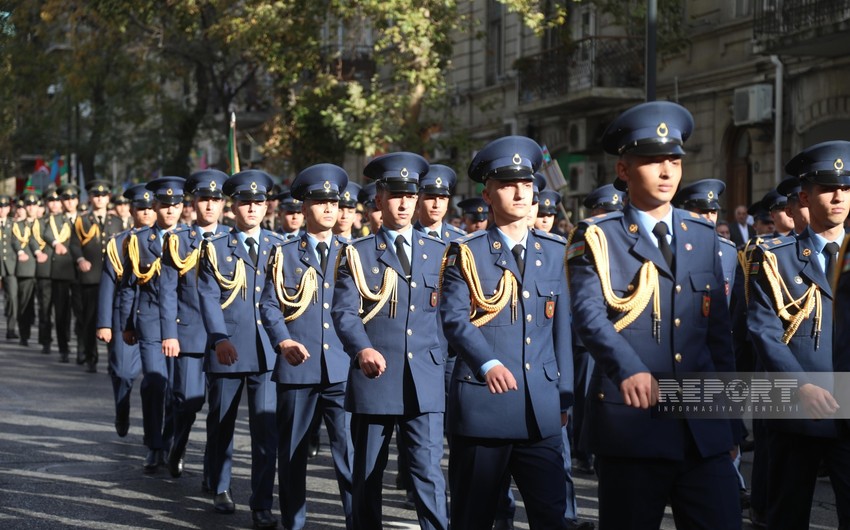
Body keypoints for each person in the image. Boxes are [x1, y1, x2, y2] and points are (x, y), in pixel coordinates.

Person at [567, 101, 740, 529]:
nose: (666, 171)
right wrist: (629, 369)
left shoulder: (701, 235)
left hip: (704, 430)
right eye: (651, 161)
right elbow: (589, 315)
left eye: (674, 160)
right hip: (633, 426)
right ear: (624, 171)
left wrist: (732, 420)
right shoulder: (597, 237)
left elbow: (718, 334)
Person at [439, 136, 576, 530]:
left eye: (526, 184)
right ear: (487, 193)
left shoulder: (554, 249)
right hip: (484, 407)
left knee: (552, 516)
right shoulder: (466, 251)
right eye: (506, 184)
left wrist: (563, 394)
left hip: (542, 410)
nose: (519, 192)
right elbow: (454, 319)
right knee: (473, 517)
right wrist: (487, 362)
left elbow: (559, 329)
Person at [332, 152, 448, 530]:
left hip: (425, 381)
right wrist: (361, 348)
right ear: (379, 199)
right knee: (367, 475)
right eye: (395, 195)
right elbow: (345, 312)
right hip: (376, 379)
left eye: (410, 196)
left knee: (428, 474)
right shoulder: (359, 253)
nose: (403, 203)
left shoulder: (442, 254)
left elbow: (450, 318)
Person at [752, 141, 850, 530]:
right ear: (806, 197)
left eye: (846, 187)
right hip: (796, 408)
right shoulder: (777, 256)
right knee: (786, 516)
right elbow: (764, 330)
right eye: (828, 188)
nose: (839, 196)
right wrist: (801, 387)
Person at [260, 163, 354, 530]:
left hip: (342, 367)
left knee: (348, 452)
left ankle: (355, 519)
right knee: (294, 451)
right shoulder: (284, 253)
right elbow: (268, 305)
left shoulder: (352, 252)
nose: (330, 208)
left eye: (334, 202)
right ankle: (293, 522)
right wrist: (282, 340)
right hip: (298, 367)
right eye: (320, 201)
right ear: (304, 208)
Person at [197, 170, 282, 529]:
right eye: (245, 202)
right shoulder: (215, 247)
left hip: (267, 351)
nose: (252, 209)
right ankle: (220, 485)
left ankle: (261, 502)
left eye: (258, 203)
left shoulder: (281, 246)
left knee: (266, 429)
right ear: (233, 207)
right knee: (222, 422)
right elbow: (208, 296)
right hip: (228, 348)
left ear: (266, 207)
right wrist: (218, 338)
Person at [159, 169, 230, 481]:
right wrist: (169, 334)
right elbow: (167, 291)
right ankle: (178, 442)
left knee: (219, 408)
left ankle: (211, 472)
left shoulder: (232, 238)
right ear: (194, 202)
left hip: (226, 336)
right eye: (204, 199)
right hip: (188, 331)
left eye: (216, 199)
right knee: (189, 401)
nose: (210, 205)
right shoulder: (178, 241)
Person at [117, 177, 185, 472]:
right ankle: (154, 445)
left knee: (178, 390)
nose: (170, 211)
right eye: (164, 205)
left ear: (183, 207)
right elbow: (129, 285)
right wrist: (127, 323)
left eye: (175, 205)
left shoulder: (192, 239)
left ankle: (173, 441)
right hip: (150, 321)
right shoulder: (140, 240)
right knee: (155, 384)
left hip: (185, 324)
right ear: (154, 206)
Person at [96, 184, 155, 437]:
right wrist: (104, 323)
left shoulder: (169, 241)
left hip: (156, 314)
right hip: (125, 314)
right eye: (141, 208)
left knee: (156, 378)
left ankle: (156, 432)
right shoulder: (118, 243)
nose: (146, 213)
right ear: (131, 210)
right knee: (122, 371)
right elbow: (108, 284)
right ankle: (122, 409)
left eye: (151, 208)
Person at [71, 180, 124, 372]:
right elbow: (75, 244)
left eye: (103, 195)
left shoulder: (117, 222)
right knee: (89, 319)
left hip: (112, 278)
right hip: (90, 277)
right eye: (96, 195)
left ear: (108, 197)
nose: (99, 198)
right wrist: (80, 260)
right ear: (91, 197)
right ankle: (90, 357)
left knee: (113, 320)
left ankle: (113, 359)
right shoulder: (82, 220)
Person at [42, 184, 81, 362]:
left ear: (78, 200)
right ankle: (63, 347)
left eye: (73, 198)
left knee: (82, 312)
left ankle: (83, 348)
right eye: (65, 198)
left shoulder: (84, 219)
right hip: (61, 270)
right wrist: (56, 243)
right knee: (61, 312)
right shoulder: (53, 220)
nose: (69, 202)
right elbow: (46, 234)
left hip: (82, 271)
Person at [35, 187, 60, 355]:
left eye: (57, 200)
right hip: (45, 270)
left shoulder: (67, 220)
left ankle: (63, 342)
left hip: (62, 270)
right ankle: (45, 340)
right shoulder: (41, 221)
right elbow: (33, 238)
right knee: (45, 308)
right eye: (50, 201)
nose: (54, 204)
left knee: (62, 311)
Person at [0, 195, 18, 341]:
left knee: (12, 297)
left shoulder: (14, 224)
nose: (2, 210)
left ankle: (11, 328)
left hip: (10, 267)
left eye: (4, 207)